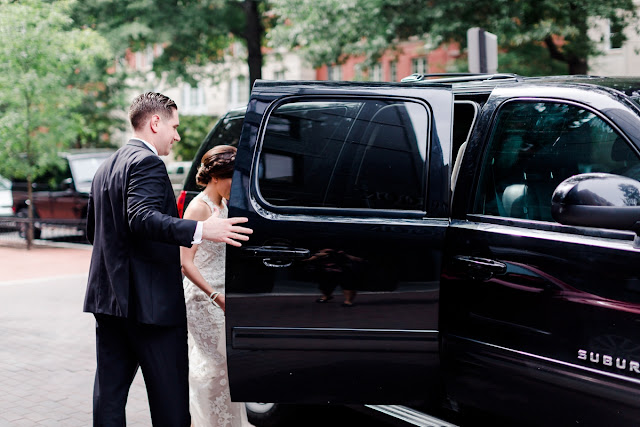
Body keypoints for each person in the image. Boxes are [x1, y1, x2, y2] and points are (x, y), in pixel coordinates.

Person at [84, 92, 252, 427]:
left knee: (109, 398)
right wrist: (203, 229)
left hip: (110, 304)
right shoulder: (147, 163)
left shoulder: (106, 166)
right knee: (171, 404)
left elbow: (94, 231)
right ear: (155, 122)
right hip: (152, 310)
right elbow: (141, 217)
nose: (176, 135)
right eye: (174, 126)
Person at [180, 145, 252, 427]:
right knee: (211, 369)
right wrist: (214, 295)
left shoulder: (224, 206)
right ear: (215, 177)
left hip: (225, 296)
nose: (237, 186)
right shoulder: (199, 208)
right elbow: (186, 262)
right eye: (232, 178)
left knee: (226, 368)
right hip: (203, 297)